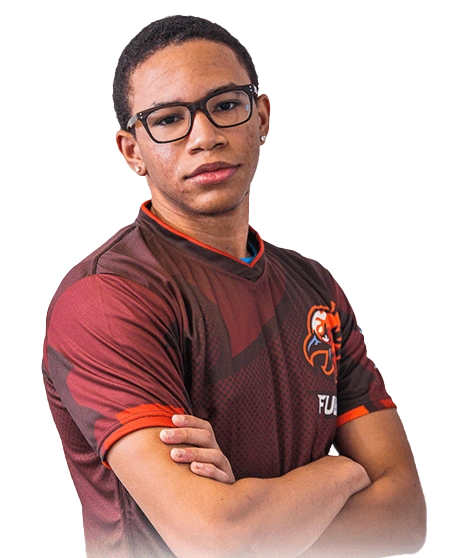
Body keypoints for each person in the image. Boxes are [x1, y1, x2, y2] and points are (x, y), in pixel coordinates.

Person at [41, 14, 427, 558]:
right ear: (131, 150)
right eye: (168, 119)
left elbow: (406, 516)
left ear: (261, 116)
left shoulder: (314, 288)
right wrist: (340, 473)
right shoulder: (108, 298)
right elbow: (215, 540)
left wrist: (256, 523)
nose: (204, 137)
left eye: (225, 105)